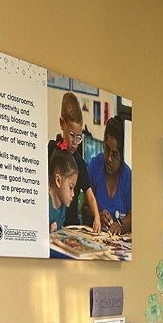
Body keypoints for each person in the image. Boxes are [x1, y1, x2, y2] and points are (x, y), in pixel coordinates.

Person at [47, 92, 101, 233]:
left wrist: (97, 217)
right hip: (52, 221)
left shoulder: (80, 163)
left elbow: (89, 193)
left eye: (79, 137)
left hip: (71, 224)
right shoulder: (51, 150)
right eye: (71, 135)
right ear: (62, 124)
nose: (75, 142)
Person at [88, 116, 131, 236]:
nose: (109, 159)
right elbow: (84, 208)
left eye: (115, 154)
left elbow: (134, 216)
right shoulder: (94, 166)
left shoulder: (128, 177)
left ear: (121, 156)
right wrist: (96, 215)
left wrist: (120, 225)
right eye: (106, 149)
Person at [47, 148, 78, 233]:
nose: (73, 194)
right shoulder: (44, 205)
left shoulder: (63, 205)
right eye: (71, 188)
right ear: (58, 181)